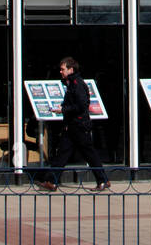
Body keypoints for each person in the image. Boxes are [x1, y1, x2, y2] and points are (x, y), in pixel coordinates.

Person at [39, 57, 111, 193]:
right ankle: (51, 181)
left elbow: (82, 105)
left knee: (89, 153)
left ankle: (102, 180)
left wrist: (64, 109)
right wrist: (63, 107)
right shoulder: (71, 83)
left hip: (78, 125)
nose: (61, 72)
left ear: (71, 69)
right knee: (63, 153)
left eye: (63, 69)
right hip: (72, 125)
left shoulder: (77, 84)